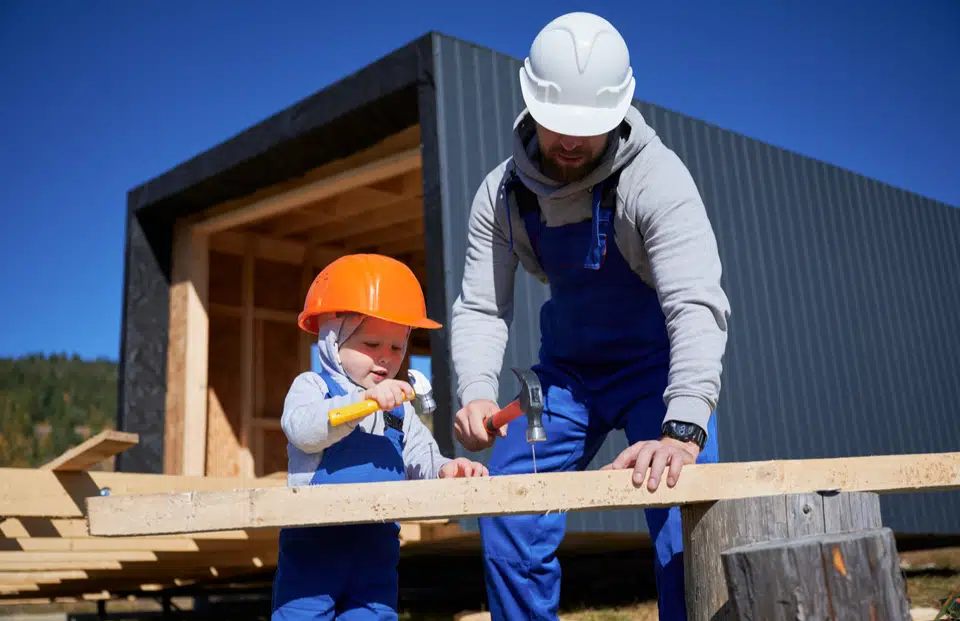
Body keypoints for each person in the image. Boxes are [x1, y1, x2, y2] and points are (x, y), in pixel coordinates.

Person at [449, 11, 731, 621]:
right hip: (566, 378)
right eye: (559, 126)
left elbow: (696, 304)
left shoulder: (658, 178)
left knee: (684, 510)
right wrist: (475, 392)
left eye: (589, 127)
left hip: (656, 372)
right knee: (510, 503)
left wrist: (683, 429)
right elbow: (480, 304)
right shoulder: (501, 195)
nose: (571, 142)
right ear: (530, 105)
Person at [272, 253, 488, 621]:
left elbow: (422, 457)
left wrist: (449, 468)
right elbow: (303, 431)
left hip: (376, 548)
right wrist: (362, 403)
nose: (385, 359)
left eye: (396, 347)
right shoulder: (312, 387)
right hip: (314, 547)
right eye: (371, 345)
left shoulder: (399, 410)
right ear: (331, 340)